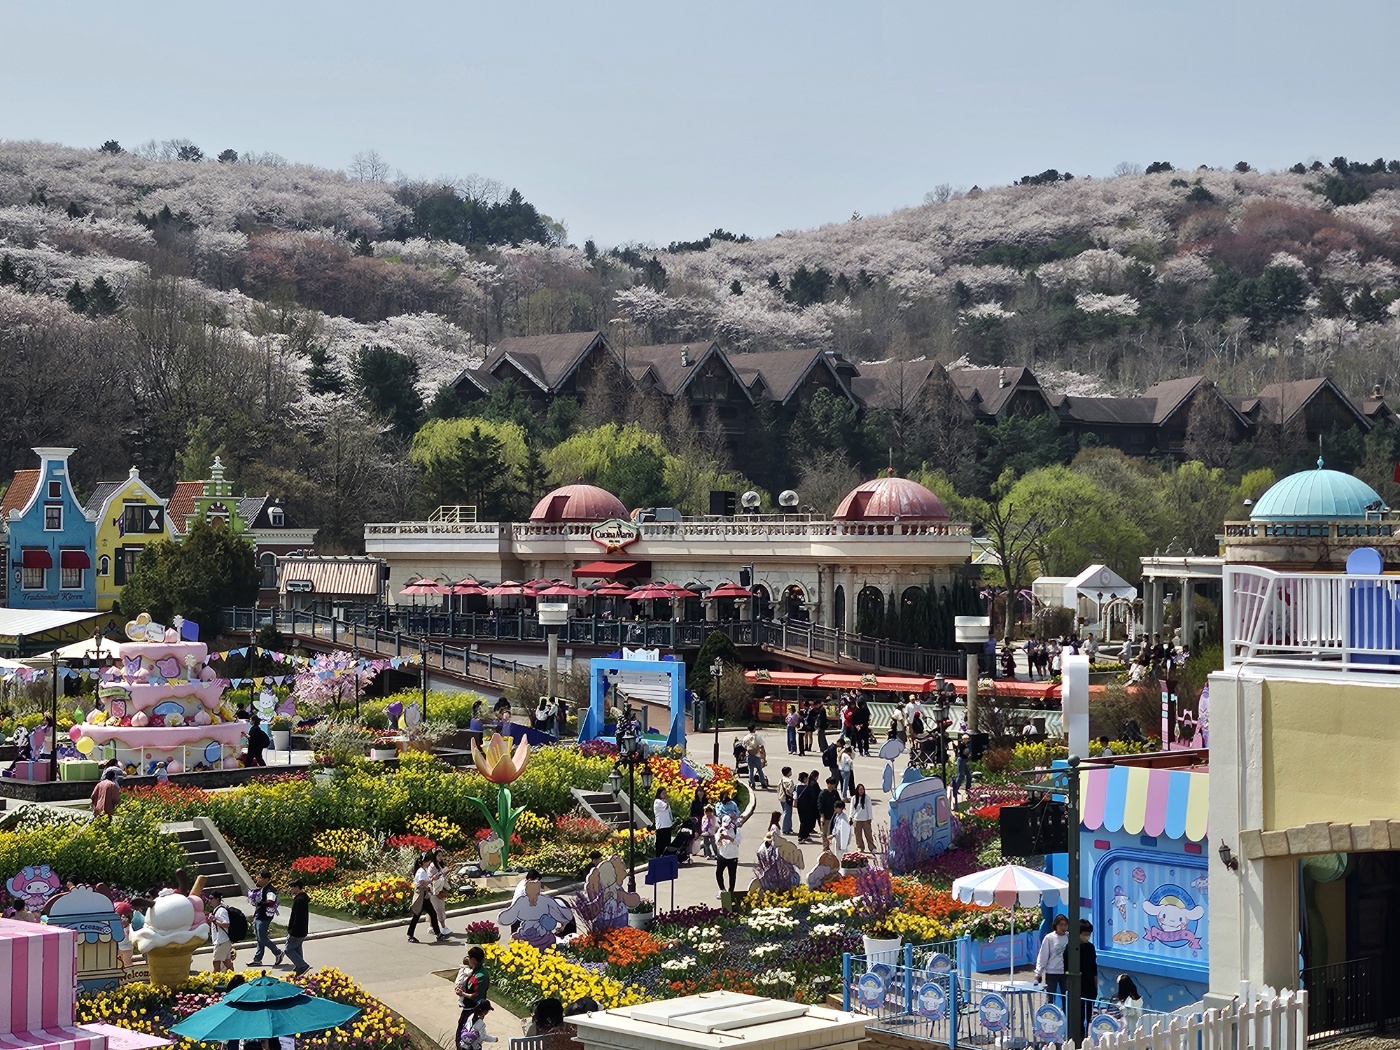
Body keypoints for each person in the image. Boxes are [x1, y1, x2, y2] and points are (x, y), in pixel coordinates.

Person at [408, 852, 447, 942]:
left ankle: (438, 934)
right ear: (424, 862)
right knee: (417, 915)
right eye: (428, 861)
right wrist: (432, 880)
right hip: (421, 896)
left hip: (424, 896)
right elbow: (422, 884)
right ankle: (410, 935)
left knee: (432, 914)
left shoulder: (423, 870)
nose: (429, 862)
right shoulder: (421, 871)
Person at [249, 870, 284, 968]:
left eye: (260, 878)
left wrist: (259, 903)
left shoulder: (270, 890)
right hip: (259, 915)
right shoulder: (263, 889)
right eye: (258, 877)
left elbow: (271, 902)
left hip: (264, 917)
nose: (258, 879)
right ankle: (257, 959)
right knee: (259, 938)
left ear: (267, 879)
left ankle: (278, 953)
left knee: (262, 937)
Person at [1034, 914, 1069, 1007]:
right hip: (1052, 971)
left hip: (1065, 972)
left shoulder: (1069, 937)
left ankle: (1066, 1016)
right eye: (1061, 925)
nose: (1063, 927)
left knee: (1066, 996)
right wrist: (1039, 972)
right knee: (1050, 997)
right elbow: (1043, 955)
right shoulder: (1049, 938)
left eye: (1065, 925)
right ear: (1056, 925)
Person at [284, 879, 311, 977]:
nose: (290, 889)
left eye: (292, 887)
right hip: (302, 930)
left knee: (288, 949)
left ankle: (303, 965)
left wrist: (292, 931)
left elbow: (297, 918)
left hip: (297, 931)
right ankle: (299, 967)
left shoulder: (299, 901)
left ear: (297, 887)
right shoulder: (302, 899)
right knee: (296, 948)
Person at [208, 890, 234, 973]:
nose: (210, 900)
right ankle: (234, 979)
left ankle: (214, 982)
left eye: (211, 898)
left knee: (216, 963)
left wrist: (214, 920)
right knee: (227, 962)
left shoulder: (221, 911)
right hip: (223, 940)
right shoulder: (217, 910)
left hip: (222, 941)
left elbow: (226, 924)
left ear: (217, 899)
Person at [714, 814, 741, 896]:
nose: (726, 827)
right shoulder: (721, 830)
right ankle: (722, 889)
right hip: (722, 855)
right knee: (718, 873)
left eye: (727, 825)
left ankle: (731, 892)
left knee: (732, 875)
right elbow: (717, 842)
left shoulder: (736, 830)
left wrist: (728, 837)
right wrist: (720, 839)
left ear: (730, 823)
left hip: (733, 856)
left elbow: (738, 842)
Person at [1079, 919, 1099, 1020]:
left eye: (1089, 934)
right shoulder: (1071, 948)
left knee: (1088, 1014)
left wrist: (1095, 986)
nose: (1087, 937)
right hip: (1078, 986)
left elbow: (1094, 967)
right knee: (1079, 1015)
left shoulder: (1090, 948)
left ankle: (1086, 1034)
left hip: (1089, 985)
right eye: (1085, 934)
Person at [742, 724, 769, 789]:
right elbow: (762, 745)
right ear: (754, 729)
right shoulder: (757, 737)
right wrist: (764, 756)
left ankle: (752, 783)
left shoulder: (746, 737)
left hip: (749, 755)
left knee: (750, 770)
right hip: (756, 755)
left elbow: (744, 745)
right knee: (759, 769)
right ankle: (763, 783)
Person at [817, 776, 841, 850]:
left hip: (834, 816)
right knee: (824, 832)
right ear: (828, 784)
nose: (833, 786)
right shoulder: (823, 793)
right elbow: (820, 805)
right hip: (826, 816)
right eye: (832, 784)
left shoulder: (835, 792)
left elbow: (838, 802)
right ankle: (825, 847)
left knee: (834, 833)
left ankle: (833, 846)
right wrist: (822, 816)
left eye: (834, 784)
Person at [850, 783, 875, 852]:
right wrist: (851, 817)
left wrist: (870, 817)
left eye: (862, 789)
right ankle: (860, 847)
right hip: (857, 819)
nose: (861, 791)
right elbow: (852, 808)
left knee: (868, 834)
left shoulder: (867, 798)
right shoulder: (854, 798)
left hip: (865, 819)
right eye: (860, 789)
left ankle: (872, 848)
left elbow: (869, 808)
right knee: (858, 835)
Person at [952, 734, 973, 802]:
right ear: (963, 739)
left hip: (964, 760)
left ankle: (968, 789)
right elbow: (961, 754)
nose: (966, 740)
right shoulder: (961, 745)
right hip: (961, 760)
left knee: (968, 775)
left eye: (967, 739)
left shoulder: (967, 745)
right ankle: (955, 789)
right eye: (965, 739)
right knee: (961, 775)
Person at [653, 787, 673, 856]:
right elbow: (665, 807)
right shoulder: (657, 802)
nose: (665, 795)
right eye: (663, 793)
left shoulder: (664, 801)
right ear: (659, 794)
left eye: (665, 793)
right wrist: (667, 800)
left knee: (667, 844)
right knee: (661, 845)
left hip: (668, 825)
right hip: (661, 826)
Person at [778, 766, 796, 835]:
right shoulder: (790, 781)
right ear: (788, 773)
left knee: (786, 812)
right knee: (787, 813)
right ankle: (785, 829)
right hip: (787, 798)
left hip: (781, 798)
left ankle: (789, 828)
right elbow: (790, 790)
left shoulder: (781, 780)